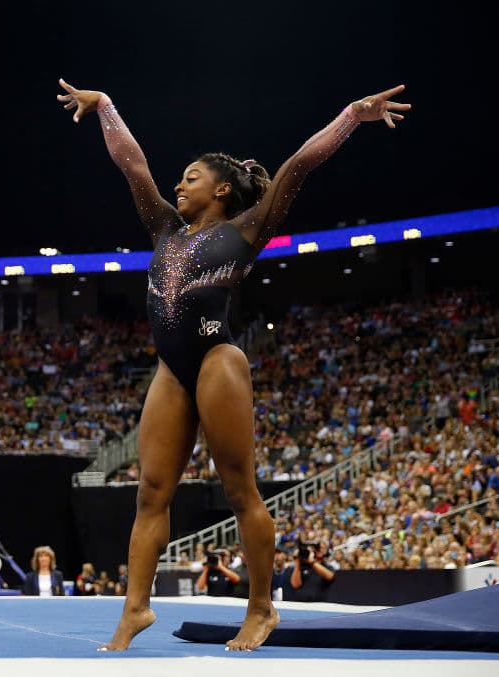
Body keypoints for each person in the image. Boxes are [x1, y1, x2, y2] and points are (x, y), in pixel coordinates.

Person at [57, 78, 409, 651]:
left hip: (217, 360)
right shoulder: (165, 228)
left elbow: (296, 166)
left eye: (191, 177)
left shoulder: (245, 231)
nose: (179, 183)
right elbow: (134, 167)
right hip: (171, 368)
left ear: (222, 190)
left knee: (239, 489)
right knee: (150, 492)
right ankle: (135, 609)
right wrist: (105, 106)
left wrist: (350, 115)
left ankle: (262, 608)